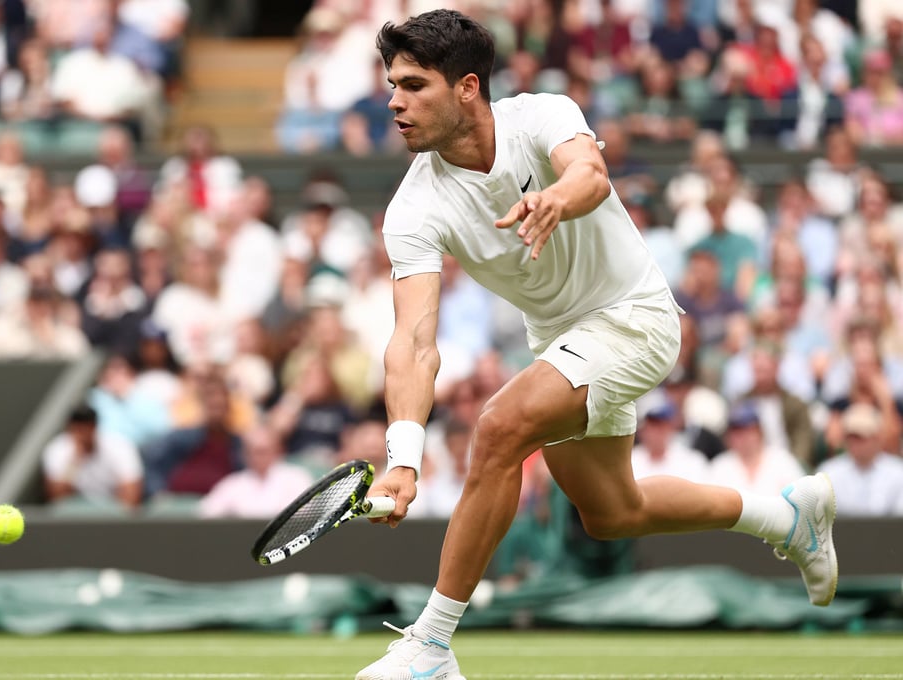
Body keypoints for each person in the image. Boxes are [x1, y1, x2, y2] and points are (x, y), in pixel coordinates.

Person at [355, 11, 837, 680]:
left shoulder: (541, 115)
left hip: (635, 318)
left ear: (467, 88)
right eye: (393, 86)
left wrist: (557, 198)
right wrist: (403, 458)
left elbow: (590, 173)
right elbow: (412, 341)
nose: (395, 102)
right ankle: (786, 519)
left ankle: (431, 646)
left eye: (413, 85)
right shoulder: (412, 209)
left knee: (498, 429)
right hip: (562, 339)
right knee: (614, 511)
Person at [41, 404, 144, 509]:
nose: (83, 432)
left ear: (95, 427)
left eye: (88, 426)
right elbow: (56, 498)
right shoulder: (56, 450)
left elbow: (132, 495)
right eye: (78, 428)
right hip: (75, 512)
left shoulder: (119, 446)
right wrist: (75, 461)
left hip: (111, 511)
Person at [817, 404, 903, 516]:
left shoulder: (898, 472)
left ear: (877, 438)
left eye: (861, 438)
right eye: (851, 437)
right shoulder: (829, 472)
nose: (855, 444)